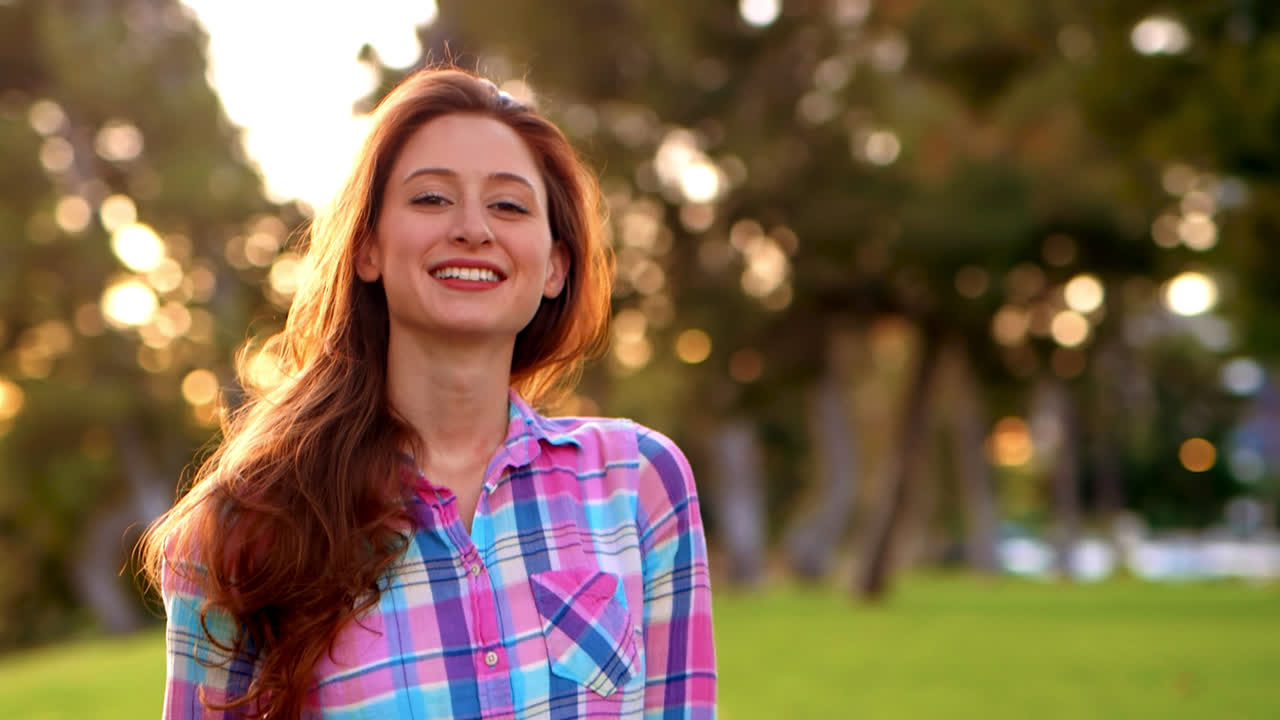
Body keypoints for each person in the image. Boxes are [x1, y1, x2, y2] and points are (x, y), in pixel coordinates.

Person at [138, 67, 716, 719]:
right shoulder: (245, 527)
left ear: (555, 266)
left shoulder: (638, 482)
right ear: (367, 249)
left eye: (509, 205)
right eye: (432, 198)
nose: (473, 229)